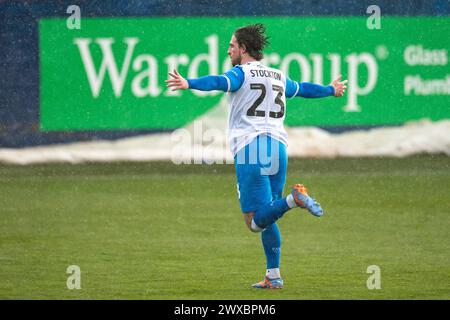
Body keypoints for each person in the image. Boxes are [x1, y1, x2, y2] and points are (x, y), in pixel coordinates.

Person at [166, 23, 347, 289]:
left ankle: (294, 199)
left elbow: (218, 81)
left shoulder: (241, 73)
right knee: (268, 214)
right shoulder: (277, 75)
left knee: (254, 222)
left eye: (231, 46)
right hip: (278, 148)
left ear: (243, 48)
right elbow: (304, 88)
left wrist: (189, 82)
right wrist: (331, 90)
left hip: (252, 148)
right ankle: (273, 276)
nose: (228, 50)